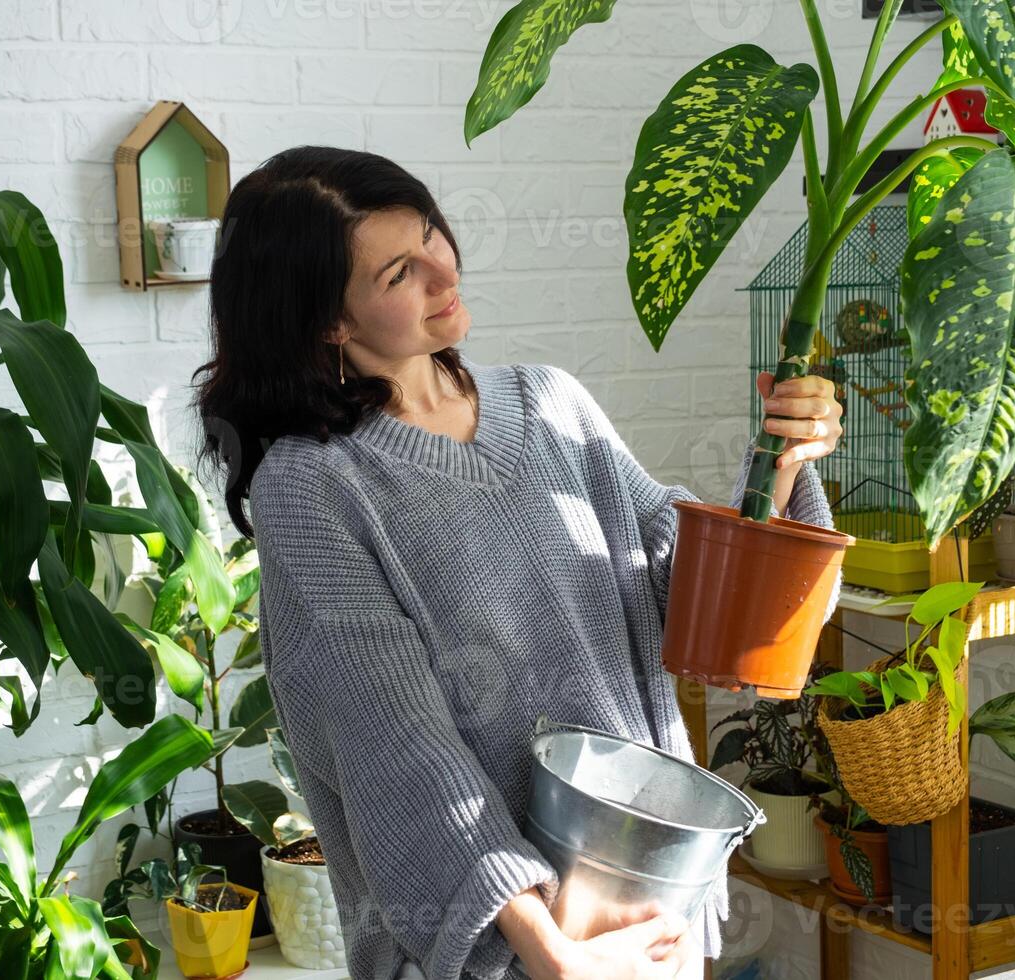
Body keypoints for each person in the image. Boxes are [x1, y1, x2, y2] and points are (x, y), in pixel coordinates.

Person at [193, 146, 843, 980]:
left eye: (433, 235)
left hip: (650, 907)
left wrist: (786, 461)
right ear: (330, 322)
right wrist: (552, 955)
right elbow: (397, 748)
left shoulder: (549, 402)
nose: (441, 271)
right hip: (503, 950)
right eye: (398, 272)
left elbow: (710, 615)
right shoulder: (314, 486)